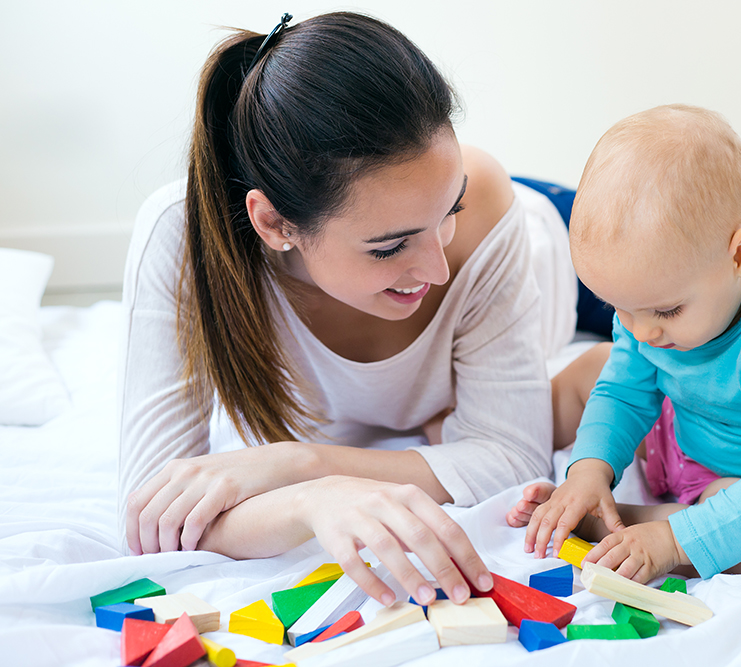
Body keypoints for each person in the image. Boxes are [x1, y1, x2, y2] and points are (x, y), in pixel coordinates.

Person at [117, 12, 580, 608]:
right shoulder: (182, 236)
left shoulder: (480, 214)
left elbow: (511, 459)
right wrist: (314, 501)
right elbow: (153, 512)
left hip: (553, 243)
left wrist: (298, 464)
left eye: (448, 214)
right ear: (274, 223)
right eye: (390, 247)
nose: (439, 271)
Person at [507, 104, 741, 583]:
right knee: (597, 366)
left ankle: (632, 524)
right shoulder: (654, 307)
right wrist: (589, 469)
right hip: (685, 433)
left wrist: (674, 541)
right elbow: (623, 392)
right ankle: (514, 440)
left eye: (665, 311)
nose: (641, 332)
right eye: (619, 309)